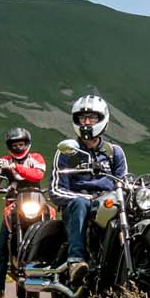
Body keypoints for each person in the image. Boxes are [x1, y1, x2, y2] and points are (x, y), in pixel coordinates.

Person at [48, 96, 126, 282]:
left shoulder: (114, 152)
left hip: (108, 203)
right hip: (78, 206)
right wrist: (84, 198)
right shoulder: (67, 151)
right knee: (81, 203)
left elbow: (122, 184)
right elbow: (56, 189)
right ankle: (76, 261)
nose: (87, 122)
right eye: (82, 118)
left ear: (102, 119)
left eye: (92, 117)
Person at [0, 127, 47, 298]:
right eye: (15, 145)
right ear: (9, 146)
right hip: (13, 204)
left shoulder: (36, 158)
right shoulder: (4, 161)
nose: (18, 147)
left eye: (21, 144)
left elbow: (37, 175)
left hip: (36, 200)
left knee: (53, 225)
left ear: (27, 144)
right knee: (1, 247)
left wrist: (16, 167)